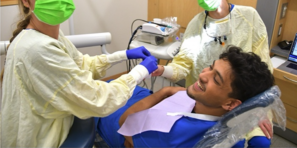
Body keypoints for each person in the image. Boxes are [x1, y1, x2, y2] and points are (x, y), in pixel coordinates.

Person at [0, 0, 158, 147]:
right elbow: (99, 100)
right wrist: (140, 71)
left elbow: (82, 65)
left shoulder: (49, 37)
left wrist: (123, 55)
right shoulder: (37, 48)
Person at [96, 46, 275, 148]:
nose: (204, 74)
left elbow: (124, 122)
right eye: (211, 67)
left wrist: (165, 92)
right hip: (153, 103)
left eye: (216, 79)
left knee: (101, 93)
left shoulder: (175, 135)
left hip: (119, 117)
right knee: (116, 85)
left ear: (231, 103)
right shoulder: (224, 113)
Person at [152, 0, 273, 87]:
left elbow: (262, 62)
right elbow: (183, 64)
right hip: (202, 92)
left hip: (238, 92)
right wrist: (162, 70)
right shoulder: (196, 24)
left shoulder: (248, 16)